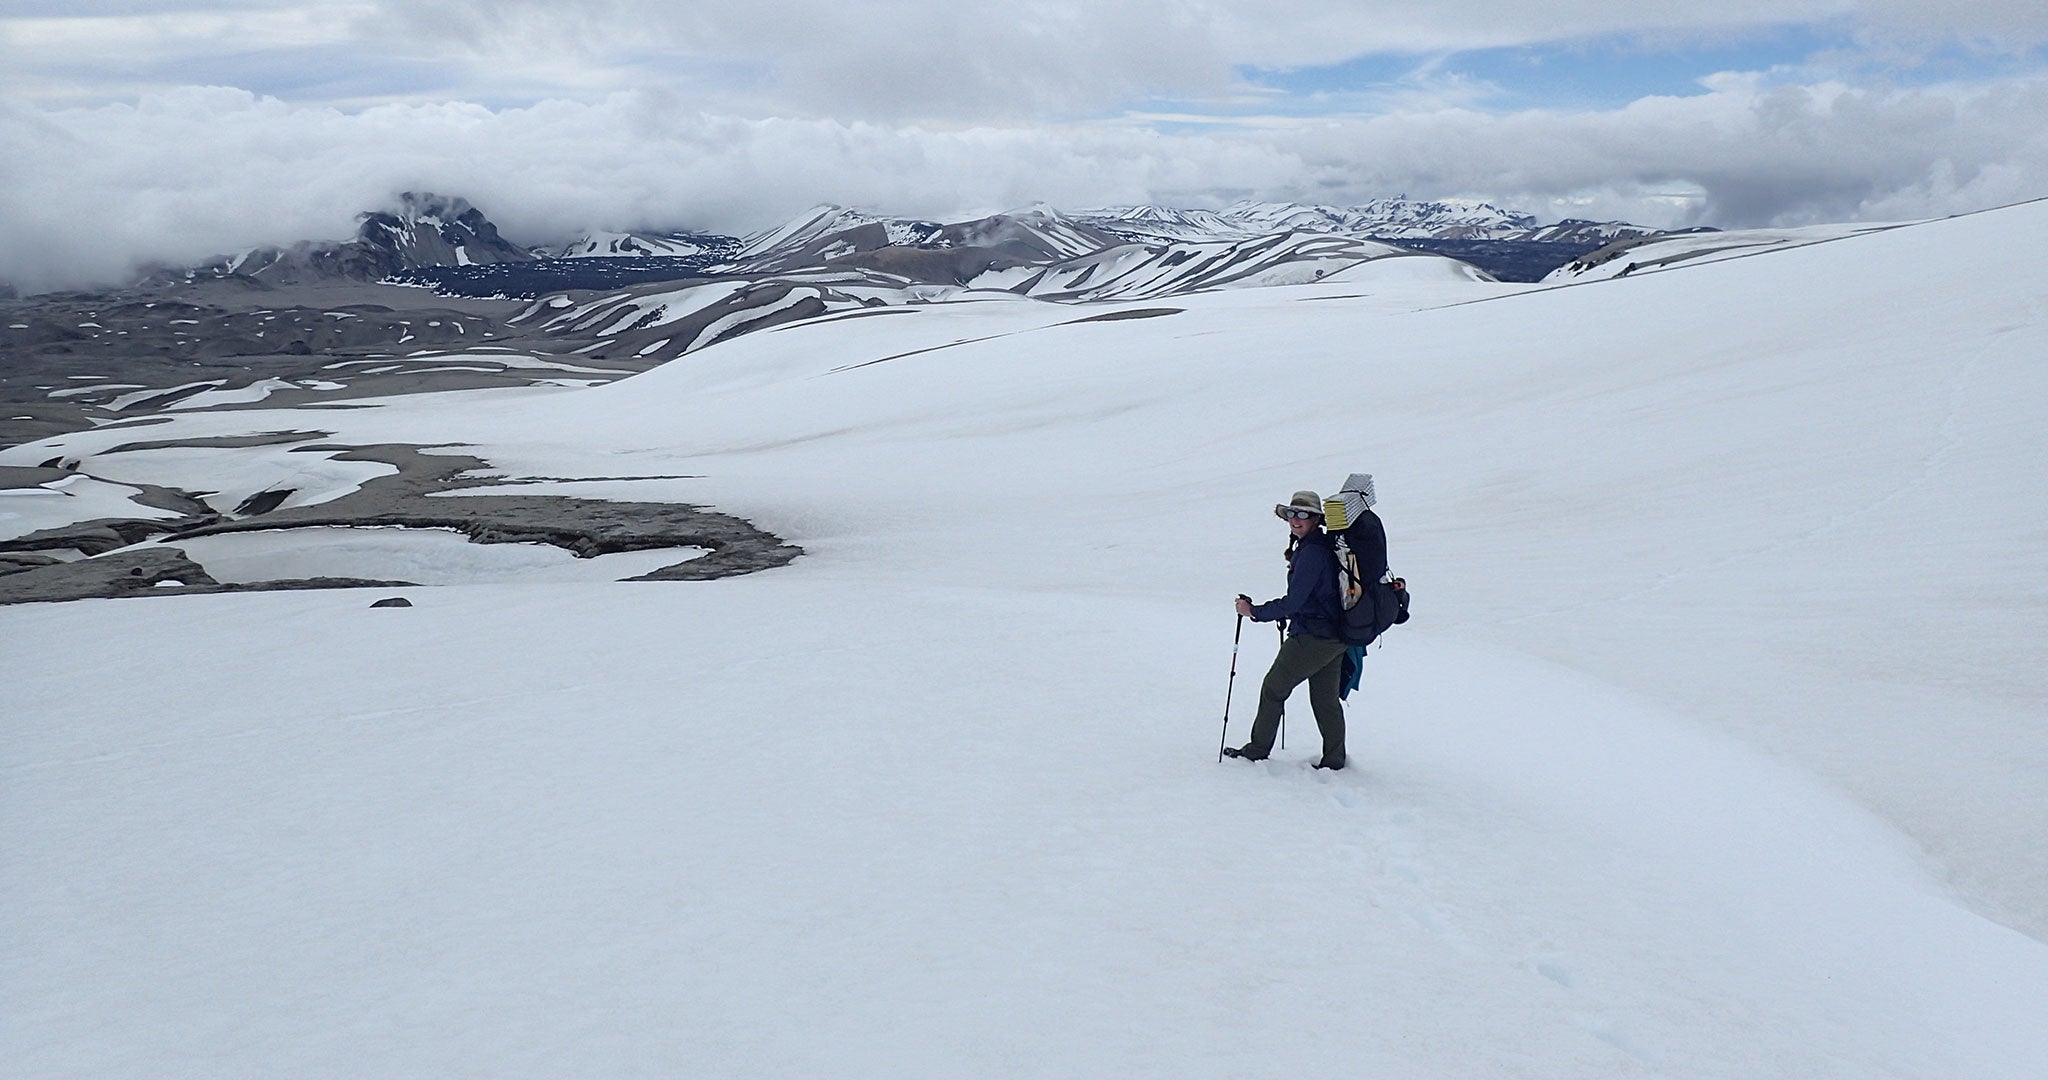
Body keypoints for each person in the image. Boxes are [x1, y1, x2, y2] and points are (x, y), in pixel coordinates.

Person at [1226, 490, 1348, 770]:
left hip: (1312, 637)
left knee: (1273, 689)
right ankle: (1334, 759)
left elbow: (1295, 601)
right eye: (1292, 513)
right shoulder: (1320, 547)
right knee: (1325, 701)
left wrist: (1254, 612)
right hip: (1335, 637)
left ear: (1317, 518)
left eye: (1303, 514)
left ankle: (1257, 750)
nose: (1296, 519)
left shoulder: (1313, 552)